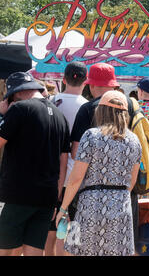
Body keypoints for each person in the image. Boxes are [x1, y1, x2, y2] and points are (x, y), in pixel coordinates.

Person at [56, 90, 141, 256]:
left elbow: (76, 178)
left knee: (75, 251)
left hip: (89, 205)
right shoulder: (134, 140)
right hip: (122, 206)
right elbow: (132, 180)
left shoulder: (91, 136)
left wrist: (63, 209)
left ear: (100, 111)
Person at [70, 62, 140, 251]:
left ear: (91, 85)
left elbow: (77, 154)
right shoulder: (131, 109)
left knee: (80, 249)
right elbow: (132, 175)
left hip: (89, 198)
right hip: (123, 199)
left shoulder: (87, 112)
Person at [0, 72, 71, 256]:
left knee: (5, 249)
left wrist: (2, 115)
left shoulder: (19, 109)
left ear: (16, 93)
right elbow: (63, 161)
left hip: (19, 193)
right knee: (34, 250)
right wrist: (57, 196)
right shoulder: (60, 116)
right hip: (47, 196)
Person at [45, 62, 88, 256]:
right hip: (78, 176)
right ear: (86, 82)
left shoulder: (51, 102)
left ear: (63, 79)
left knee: (51, 227)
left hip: (51, 172)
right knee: (74, 227)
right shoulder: (87, 107)